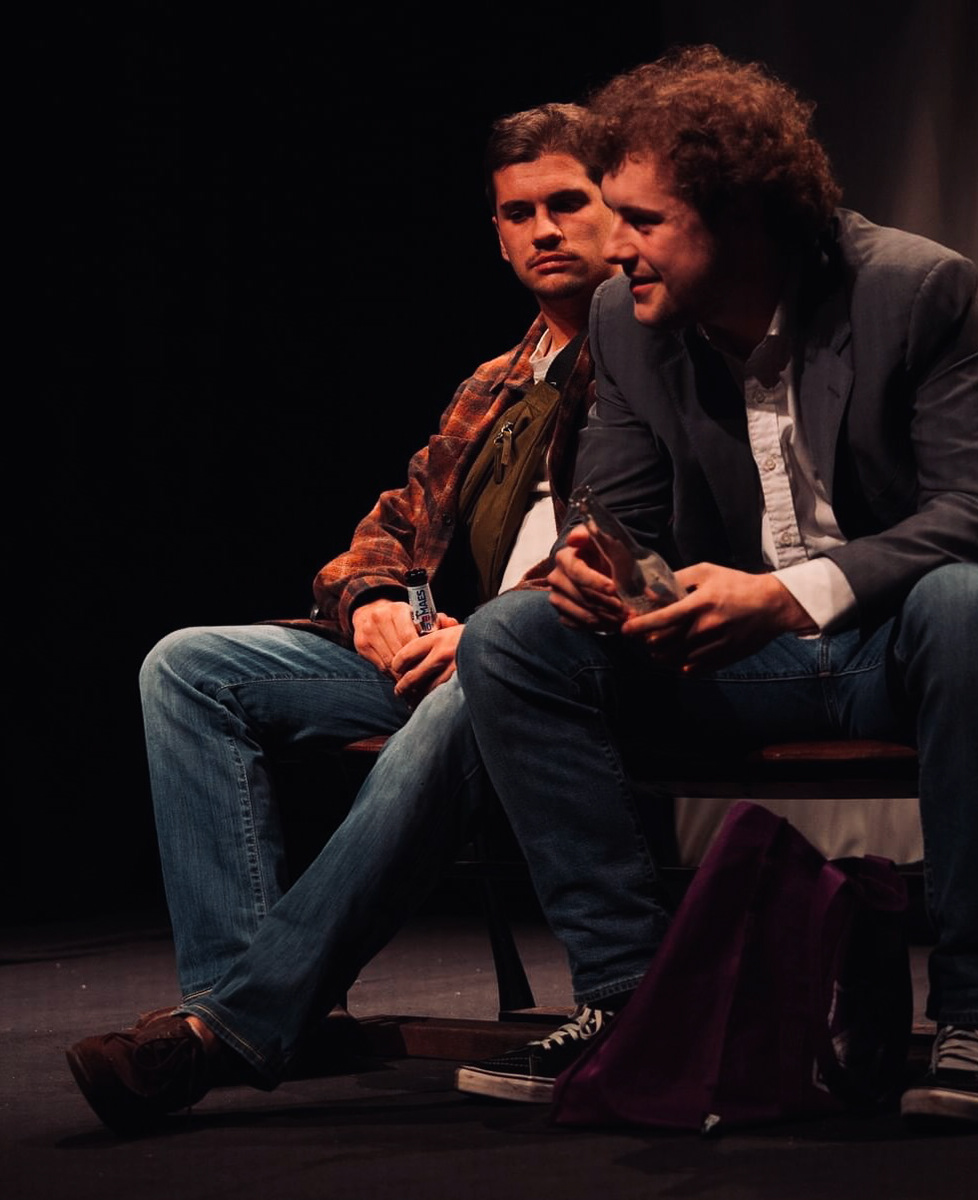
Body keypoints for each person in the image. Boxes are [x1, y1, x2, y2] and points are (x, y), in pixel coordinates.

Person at [452, 48, 978, 1130]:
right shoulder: (625, 320)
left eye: (643, 220)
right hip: (736, 663)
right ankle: (636, 1004)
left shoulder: (912, 287)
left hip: (901, 650)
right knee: (515, 638)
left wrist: (790, 595)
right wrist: (603, 574)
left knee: (974, 601)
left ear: (743, 218)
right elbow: (615, 519)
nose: (614, 246)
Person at [66, 103, 616, 1135]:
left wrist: (493, 631)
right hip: (446, 651)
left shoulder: (653, 355)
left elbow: (641, 535)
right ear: (496, 236)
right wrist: (372, 600)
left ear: (617, 207)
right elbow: (394, 520)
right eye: (519, 213)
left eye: (567, 203)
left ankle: (228, 1028)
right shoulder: (499, 379)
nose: (544, 230)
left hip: (559, 664)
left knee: (481, 679)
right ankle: (262, 1006)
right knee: (188, 666)